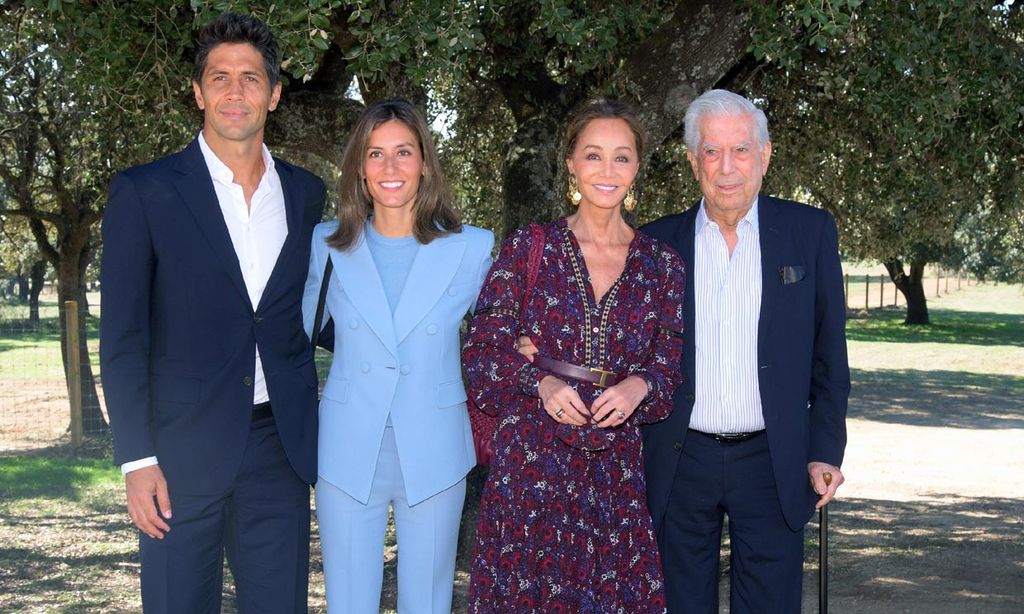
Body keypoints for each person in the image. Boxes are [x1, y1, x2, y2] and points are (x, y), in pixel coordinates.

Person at [99, 13, 324, 612]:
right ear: (197, 92)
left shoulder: (307, 195)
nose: (234, 91)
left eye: (251, 78)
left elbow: (318, 311)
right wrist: (137, 459)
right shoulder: (144, 192)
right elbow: (122, 338)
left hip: (279, 449)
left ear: (274, 95)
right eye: (219, 77)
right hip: (177, 454)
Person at [463, 99, 686, 613]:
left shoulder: (662, 266)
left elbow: (669, 367)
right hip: (531, 468)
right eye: (593, 155)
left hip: (615, 475)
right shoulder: (528, 247)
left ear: (637, 167)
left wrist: (639, 386)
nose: (607, 171)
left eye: (621, 157)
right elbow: (483, 351)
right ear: (570, 163)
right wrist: (539, 383)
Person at [640, 89, 850, 613]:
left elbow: (830, 356)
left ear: (766, 155)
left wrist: (825, 450)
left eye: (741, 150)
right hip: (680, 457)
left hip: (774, 459)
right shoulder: (655, 244)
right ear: (693, 161)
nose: (727, 167)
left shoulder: (810, 232)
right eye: (712, 151)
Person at [302, 98, 494, 614]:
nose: (390, 168)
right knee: (347, 602)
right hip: (346, 446)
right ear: (360, 169)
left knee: (427, 602)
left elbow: (498, 342)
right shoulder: (324, 243)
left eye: (403, 152)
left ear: (425, 163)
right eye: (375, 154)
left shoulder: (472, 248)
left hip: (434, 445)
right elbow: (299, 333)